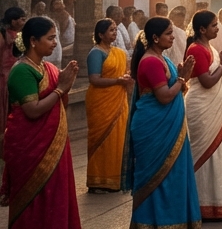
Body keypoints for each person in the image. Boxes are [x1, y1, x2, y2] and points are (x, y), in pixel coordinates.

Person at [123, 17, 202, 229]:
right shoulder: (150, 61)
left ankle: (172, 221)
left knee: (174, 176)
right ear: (155, 38)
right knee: (156, 179)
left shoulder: (162, 59)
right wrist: (182, 78)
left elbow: (176, 93)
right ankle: (151, 222)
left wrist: (181, 80)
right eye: (168, 33)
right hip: (154, 128)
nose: (173, 36)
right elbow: (165, 96)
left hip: (170, 126)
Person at [2, 16, 80, 227]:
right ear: (33, 41)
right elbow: (32, 110)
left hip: (53, 145)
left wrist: (65, 84)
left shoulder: (48, 68)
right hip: (31, 149)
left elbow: (58, 103)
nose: (55, 42)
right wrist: (60, 88)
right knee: (35, 202)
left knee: (56, 197)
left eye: (55, 37)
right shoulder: (22, 70)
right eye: (50, 38)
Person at [184, 10, 222, 220]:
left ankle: (219, 202)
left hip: (216, 107)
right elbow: (207, 81)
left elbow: (216, 78)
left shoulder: (208, 47)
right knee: (205, 154)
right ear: (202, 29)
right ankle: (201, 204)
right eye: (213, 25)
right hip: (203, 108)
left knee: (220, 154)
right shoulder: (195, 49)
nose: (217, 28)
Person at [85, 18, 132, 192]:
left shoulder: (118, 52)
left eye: (115, 30)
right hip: (101, 101)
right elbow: (94, 79)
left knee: (118, 139)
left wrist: (125, 78)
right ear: (100, 34)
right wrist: (117, 80)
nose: (115, 32)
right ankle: (98, 180)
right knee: (102, 140)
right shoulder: (96, 53)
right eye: (111, 30)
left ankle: (115, 179)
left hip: (118, 99)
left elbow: (124, 72)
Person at [0, 6, 26, 150]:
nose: (24, 21)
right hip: (4, 77)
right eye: (21, 19)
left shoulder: (19, 35)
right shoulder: (3, 34)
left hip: (15, 74)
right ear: (13, 21)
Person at [50, 0, 74, 64]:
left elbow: (62, 29)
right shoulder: (55, 14)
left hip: (66, 41)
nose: (57, 6)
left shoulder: (63, 14)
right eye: (55, 4)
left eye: (59, 4)